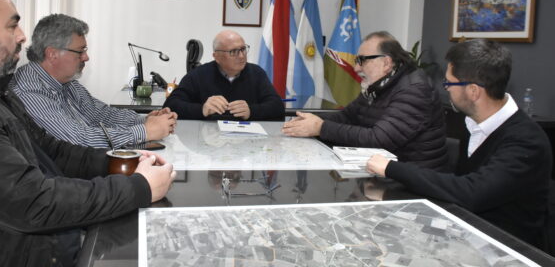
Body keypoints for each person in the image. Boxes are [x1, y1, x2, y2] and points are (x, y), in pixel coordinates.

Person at [0, 0, 175, 266]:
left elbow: (49, 151)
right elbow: (31, 202)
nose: (22, 36)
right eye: (12, 25)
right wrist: (138, 188)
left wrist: (118, 161)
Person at [367, 39, 552, 248]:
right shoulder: (474, 122)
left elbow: (470, 192)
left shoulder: (527, 141)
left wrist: (391, 168)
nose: (446, 89)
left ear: (473, 91)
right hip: (470, 234)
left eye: (449, 83)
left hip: (510, 249)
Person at [282, 31, 447, 170]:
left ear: (386, 62)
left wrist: (321, 127)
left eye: (362, 60)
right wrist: (308, 122)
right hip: (383, 171)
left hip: (414, 179)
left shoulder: (414, 90)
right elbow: (347, 116)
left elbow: (378, 139)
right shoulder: (379, 85)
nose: (356, 68)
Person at [10, 14, 177, 149]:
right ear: (52, 54)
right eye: (80, 51)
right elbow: (78, 139)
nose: (86, 57)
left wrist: (145, 120)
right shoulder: (29, 91)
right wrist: (144, 131)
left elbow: (102, 114)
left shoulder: (67, 83)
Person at [163, 30, 284, 120]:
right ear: (217, 57)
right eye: (234, 51)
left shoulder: (256, 73)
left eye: (243, 49)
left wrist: (251, 111)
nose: (242, 56)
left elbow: (277, 107)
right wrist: (202, 109)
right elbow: (170, 105)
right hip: (208, 144)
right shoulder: (199, 75)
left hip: (246, 145)